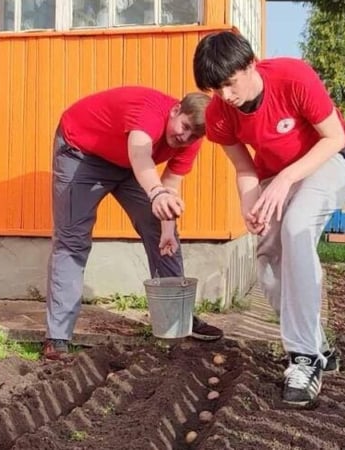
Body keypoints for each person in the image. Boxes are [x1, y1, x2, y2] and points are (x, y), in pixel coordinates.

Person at [192, 31, 345, 407]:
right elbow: (243, 166)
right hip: (272, 176)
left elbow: (334, 138)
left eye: (230, 84)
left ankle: (303, 358)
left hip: (324, 161)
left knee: (297, 228)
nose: (225, 96)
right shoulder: (220, 113)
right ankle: (317, 345)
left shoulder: (293, 77)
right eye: (216, 89)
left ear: (251, 65)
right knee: (268, 254)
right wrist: (251, 205)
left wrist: (284, 179)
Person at [43, 86, 226, 360]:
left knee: (165, 234)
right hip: (81, 152)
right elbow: (140, 155)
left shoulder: (191, 139)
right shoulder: (149, 112)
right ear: (176, 110)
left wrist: (165, 227)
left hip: (129, 165)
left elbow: (171, 183)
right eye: (184, 126)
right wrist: (156, 193)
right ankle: (57, 338)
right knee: (73, 240)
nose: (184, 137)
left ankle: (177, 319)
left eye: (193, 135)